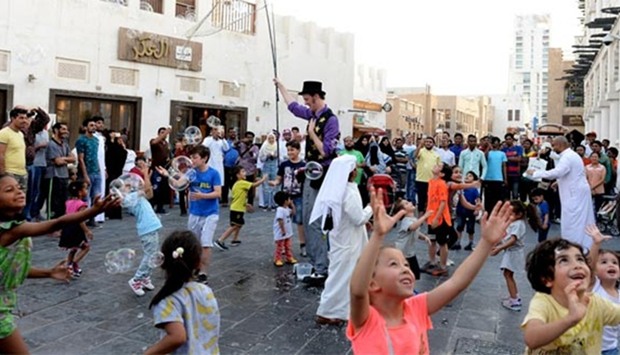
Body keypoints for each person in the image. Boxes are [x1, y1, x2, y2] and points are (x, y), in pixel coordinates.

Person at [347, 188, 513, 354]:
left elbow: (457, 283)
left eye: (405, 264)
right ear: (372, 283)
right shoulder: (366, 319)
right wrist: (378, 235)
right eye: (393, 264)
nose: (405, 269)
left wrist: (486, 242)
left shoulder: (415, 308)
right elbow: (358, 292)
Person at [0, 174, 118, 353]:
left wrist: (49, 272)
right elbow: (57, 223)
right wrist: (93, 211)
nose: (18, 191)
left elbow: (11, 270)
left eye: (18, 187)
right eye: (9, 190)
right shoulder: (12, 231)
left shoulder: (14, 227)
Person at [274, 78, 340, 284]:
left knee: (315, 220)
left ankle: (321, 267)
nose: (306, 104)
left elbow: (327, 150)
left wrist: (311, 133)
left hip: (323, 174)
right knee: (309, 218)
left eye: (308, 99)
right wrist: (281, 86)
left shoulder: (331, 119)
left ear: (317, 97)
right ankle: (317, 263)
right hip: (311, 172)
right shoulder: (312, 113)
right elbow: (293, 107)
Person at [521, 238, 620, 353]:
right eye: (564, 260)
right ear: (547, 279)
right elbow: (532, 339)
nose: (577, 265)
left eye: (580, 259)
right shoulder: (544, 302)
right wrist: (570, 319)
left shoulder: (596, 303)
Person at [314, 155, 373, 326]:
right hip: (348, 241)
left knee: (341, 275)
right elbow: (357, 218)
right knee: (341, 277)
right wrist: (372, 206)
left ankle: (341, 310)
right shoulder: (347, 191)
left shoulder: (337, 189)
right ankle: (327, 311)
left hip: (341, 237)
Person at [145, 231, 220, 355]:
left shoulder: (167, 301)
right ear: (198, 263)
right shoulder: (205, 290)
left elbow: (177, 337)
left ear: (162, 262)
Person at [159, 145, 220, 285]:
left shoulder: (214, 174)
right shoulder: (192, 173)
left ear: (204, 158)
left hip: (211, 213)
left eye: (195, 157)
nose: (192, 160)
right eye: (191, 157)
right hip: (195, 212)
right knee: (193, 243)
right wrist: (167, 175)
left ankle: (203, 272)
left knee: (206, 243)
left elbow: (218, 193)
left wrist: (202, 195)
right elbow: (178, 183)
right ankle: (195, 267)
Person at [526, 136, 595, 249]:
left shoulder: (568, 157)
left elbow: (558, 172)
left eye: (554, 145)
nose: (553, 148)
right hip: (576, 191)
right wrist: (558, 182)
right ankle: (578, 245)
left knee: (572, 222)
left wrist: (536, 173)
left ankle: (573, 246)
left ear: (560, 145)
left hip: (574, 194)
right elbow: (567, 172)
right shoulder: (569, 155)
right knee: (577, 220)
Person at [120, 167, 162, 297]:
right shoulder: (130, 198)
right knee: (149, 255)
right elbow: (148, 189)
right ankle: (136, 280)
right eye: (126, 186)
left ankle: (145, 277)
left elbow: (150, 194)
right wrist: (145, 174)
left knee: (153, 254)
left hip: (151, 227)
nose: (130, 185)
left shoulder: (134, 196)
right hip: (147, 229)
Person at [585, 225, 620, 355]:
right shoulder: (594, 287)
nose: (610, 264)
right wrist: (596, 243)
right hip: (588, 348)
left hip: (611, 349)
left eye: (614, 263)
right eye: (604, 262)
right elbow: (589, 267)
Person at [214, 167, 266, 250]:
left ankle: (235, 239)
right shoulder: (241, 183)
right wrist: (263, 179)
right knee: (235, 225)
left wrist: (246, 204)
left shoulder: (237, 184)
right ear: (237, 175)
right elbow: (254, 185)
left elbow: (239, 197)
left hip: (238, 208)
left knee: (239, 224)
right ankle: (220, 240)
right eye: (243, 171)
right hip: (237, 209)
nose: (245, 173)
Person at [270, 140, 306, 256]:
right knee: (284, 220)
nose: (290, 152)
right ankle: (284, 243)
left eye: (292, 150)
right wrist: (275, 183)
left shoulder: (303, 165)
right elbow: (279, 178)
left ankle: (302, 244)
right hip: (285, 197)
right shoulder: (284, 164)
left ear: (298, 150)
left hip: (299, 195)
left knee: (300, 221)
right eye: (288, 150)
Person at [490, 200, 528, 312]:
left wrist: (499, 248)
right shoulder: (513, 223)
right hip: (510, 252)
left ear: (519, 214)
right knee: (508, 274)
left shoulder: (519, 224)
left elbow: (512, 239)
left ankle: (514, 300)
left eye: (511, 214)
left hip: (514, 253)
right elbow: (504, 237)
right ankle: (514, 296)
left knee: (508, 275)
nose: (508, 216)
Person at [58, 181, 93, 278]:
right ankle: (74, 263)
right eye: (85, 188)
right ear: (80, 192)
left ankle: (69, 266)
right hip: (76, 229)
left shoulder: (68, 202)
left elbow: (66, 215)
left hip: (68, 227)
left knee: (73, 249)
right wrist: (87, 231)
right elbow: (80, 220)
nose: (87, 190)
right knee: (86, 247)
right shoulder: (82, 204)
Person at [40, 122, 75, 221]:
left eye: (66, 129)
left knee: (62, 202)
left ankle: (60, 224)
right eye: (63, 129)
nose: (66, 132)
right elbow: (58, 161)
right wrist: (66, 159)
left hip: (64, 176)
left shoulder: (65, 144)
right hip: (53, 176)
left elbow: (73, 158)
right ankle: (51, 225)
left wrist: (64, 159)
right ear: (56, 130)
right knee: (53, 203)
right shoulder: (51, 145)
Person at [423, 163, 453, 276]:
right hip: (431, 216)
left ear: (442, 174)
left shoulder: (441, 184)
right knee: (432, 240)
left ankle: (443, 266)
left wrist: (436, 218)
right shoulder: (431, 181)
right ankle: (432, 262)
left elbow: (443, 203)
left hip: (440, 218)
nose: (435, 165)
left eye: (438, 166)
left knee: (442, 242)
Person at [392, 199, 433, 281]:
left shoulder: (413, 219)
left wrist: (424, 237)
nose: (410, 203)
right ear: (403, 211)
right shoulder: (406, 221)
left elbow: (416, 231)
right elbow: (413, 227)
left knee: (415, 273)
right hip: (402, 252)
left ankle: (410, 290)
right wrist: (424, 216)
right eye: (407, 203)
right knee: (407, 273)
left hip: (409, 252)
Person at [76, 117, 103, 226]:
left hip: (96, 171)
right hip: (87, 172)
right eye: (91, 125)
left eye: (94, 125)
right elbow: (81, 158)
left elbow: (96, 156)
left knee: (96, 196)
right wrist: (85, 174)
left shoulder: (96, 140)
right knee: (86, 198)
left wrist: (101, 170)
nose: (94, 127)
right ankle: (83, 220)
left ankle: (92, 219)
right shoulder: (81, 140)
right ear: (85, 127)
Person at [0, 107, 32, 191]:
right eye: (21, 118)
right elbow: (1, 155)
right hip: (10, 173)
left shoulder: (20, 134)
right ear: (12, 118)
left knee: (20, 201)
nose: (24, 120)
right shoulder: (4, 133)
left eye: (25, 118)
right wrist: (3, 176)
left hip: (22, 173)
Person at [453, 171, 481, 251]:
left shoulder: (474, 190)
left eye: (470, 176)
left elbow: (477, 200)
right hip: (461, 210)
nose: (467, 177)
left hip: (470, 212)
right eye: (467, 176)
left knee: (470, 228)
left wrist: (477, 209)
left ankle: (470, 242)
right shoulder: (462, 188)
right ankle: (458, 242)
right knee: (459, 227)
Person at [271, 191, 298, 268]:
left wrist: (292, 206)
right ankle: (277, 259)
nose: (290, 200)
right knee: (280, 246)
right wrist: (282, 230)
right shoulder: (280, 210)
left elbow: (293, 213)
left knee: (288, 246)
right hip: (281, 232)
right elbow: (280, 220)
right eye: (289, 199)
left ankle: (289, 257)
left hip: (287, 232)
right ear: (285, 201)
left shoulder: (286, 208)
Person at [415, 137, 441, 213]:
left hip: (432, 180)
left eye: (430, 142)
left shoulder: (436, 154)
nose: (428, 143)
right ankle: (420, 217)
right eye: (426, 142)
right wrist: (420, 145)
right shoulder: (421, 151)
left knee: (430, 199)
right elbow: (415, 155)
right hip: (421, 179)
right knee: (421, 199)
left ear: (433, 144)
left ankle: (428, 216)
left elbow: (439, 167)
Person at [150, 126, 172, 215]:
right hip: (156, 168)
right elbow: (154, 142)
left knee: (163, 188)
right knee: (155, 189)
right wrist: (166, 132)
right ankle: (151, 206)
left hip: (165, 168)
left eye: (165, 133)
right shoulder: (154, 141)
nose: (164, 134)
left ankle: (160, 207)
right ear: (158, 134)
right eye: (162, 133)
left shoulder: (166, 143)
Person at [483, 136, 508, 213]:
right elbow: (485, 157)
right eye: (494, 143)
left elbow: (504, 166)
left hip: (498, 178)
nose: (495, 145)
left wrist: (505, 178)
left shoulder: (502, 154)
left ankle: (496, 212)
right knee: (488, 198)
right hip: (488, 178)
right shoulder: (488, 153)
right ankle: (488, 212)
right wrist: (488, 147)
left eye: (497, 143)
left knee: (498, 198)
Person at [259, 133, 279, 210]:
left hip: (275, 166)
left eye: (272, 138)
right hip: (266, 166)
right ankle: (266, 204)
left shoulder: (277, 146)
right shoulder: (264, 147)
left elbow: (280, 156)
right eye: (269, 138)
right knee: (266, 186)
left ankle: (274, 204)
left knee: (274, 185)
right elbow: (261, 158)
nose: (271, 140)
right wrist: (266, 156)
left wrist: (275, 155)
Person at [502, 133, 523, 200]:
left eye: (510, 139)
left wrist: (507, 158)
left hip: (516, 175)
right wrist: (513, 157)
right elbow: (502, 162)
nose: (508, 141)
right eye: (507, 139)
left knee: (515, 194)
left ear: (513, 140)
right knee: (506, 195)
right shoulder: (503, 150)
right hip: (506, 175)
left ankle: (515, 209)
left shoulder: (518, 148)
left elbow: (519, 159)